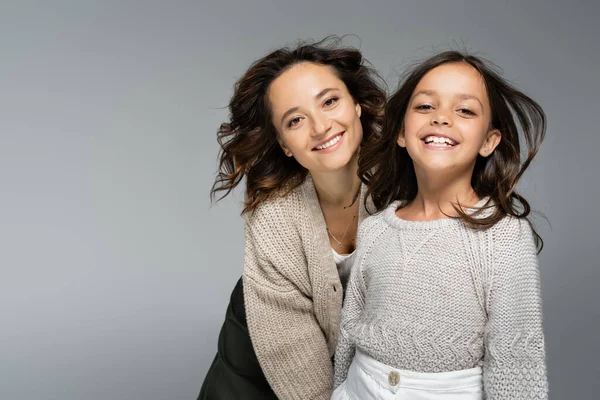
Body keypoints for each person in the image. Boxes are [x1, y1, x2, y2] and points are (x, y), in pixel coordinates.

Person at [333, 51, 548, 399]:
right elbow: (349, 331)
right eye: (425, 107)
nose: (442, 118)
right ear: (402, 133)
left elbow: (515, 356)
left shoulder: (503, 235)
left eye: (464, 110)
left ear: (489, 141)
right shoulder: (375, 229)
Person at [199, 37, 386, 399]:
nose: (320, 127)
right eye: (296, 120)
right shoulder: (274, 217)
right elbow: (304, 377)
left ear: (357, 106)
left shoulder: (406, 185)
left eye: (330, 101)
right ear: (284, 143)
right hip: (266, 334)